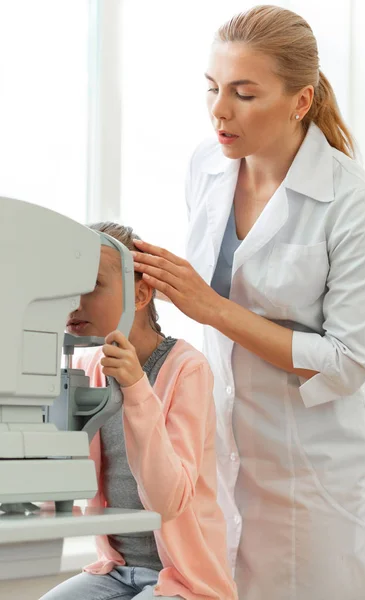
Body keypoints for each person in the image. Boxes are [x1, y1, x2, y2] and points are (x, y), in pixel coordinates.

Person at [131, 5, 365, 600]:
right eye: (213, 88)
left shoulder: (353, 203)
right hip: (224, 458)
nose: (220, 110)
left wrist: (214, 308)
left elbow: (349, 361)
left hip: (316, 482)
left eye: (244, 94)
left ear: (300, 101)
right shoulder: (207, 165)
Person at [40, 222, 237, 600]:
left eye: (91, 285)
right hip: (115, 571)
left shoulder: (186, 368)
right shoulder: (90, 367)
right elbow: (61, 482)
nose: (74, 302)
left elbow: (168, 501)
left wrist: (136, 388)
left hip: (183, 576)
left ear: (141, 292)